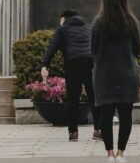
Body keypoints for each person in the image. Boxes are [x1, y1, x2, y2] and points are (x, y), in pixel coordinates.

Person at [90, 0, 140, 163]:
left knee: (106, 115)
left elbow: (93, 50)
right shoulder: (131, 22)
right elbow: (139, 48)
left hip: (104, 74)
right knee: (125, 116)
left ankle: (109, 154)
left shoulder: (98, 22)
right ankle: (121, 154)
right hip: (127, 74)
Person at [41, 9, 101, 142]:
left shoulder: (62, 30)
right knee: (93, 97)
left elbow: (52, 47)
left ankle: (73, 132)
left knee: (73, 99)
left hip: (73, 64)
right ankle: (98, 130)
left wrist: (45, 65)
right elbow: (98, 47)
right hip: (90, 63)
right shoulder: (89, 28)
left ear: (64, 19)